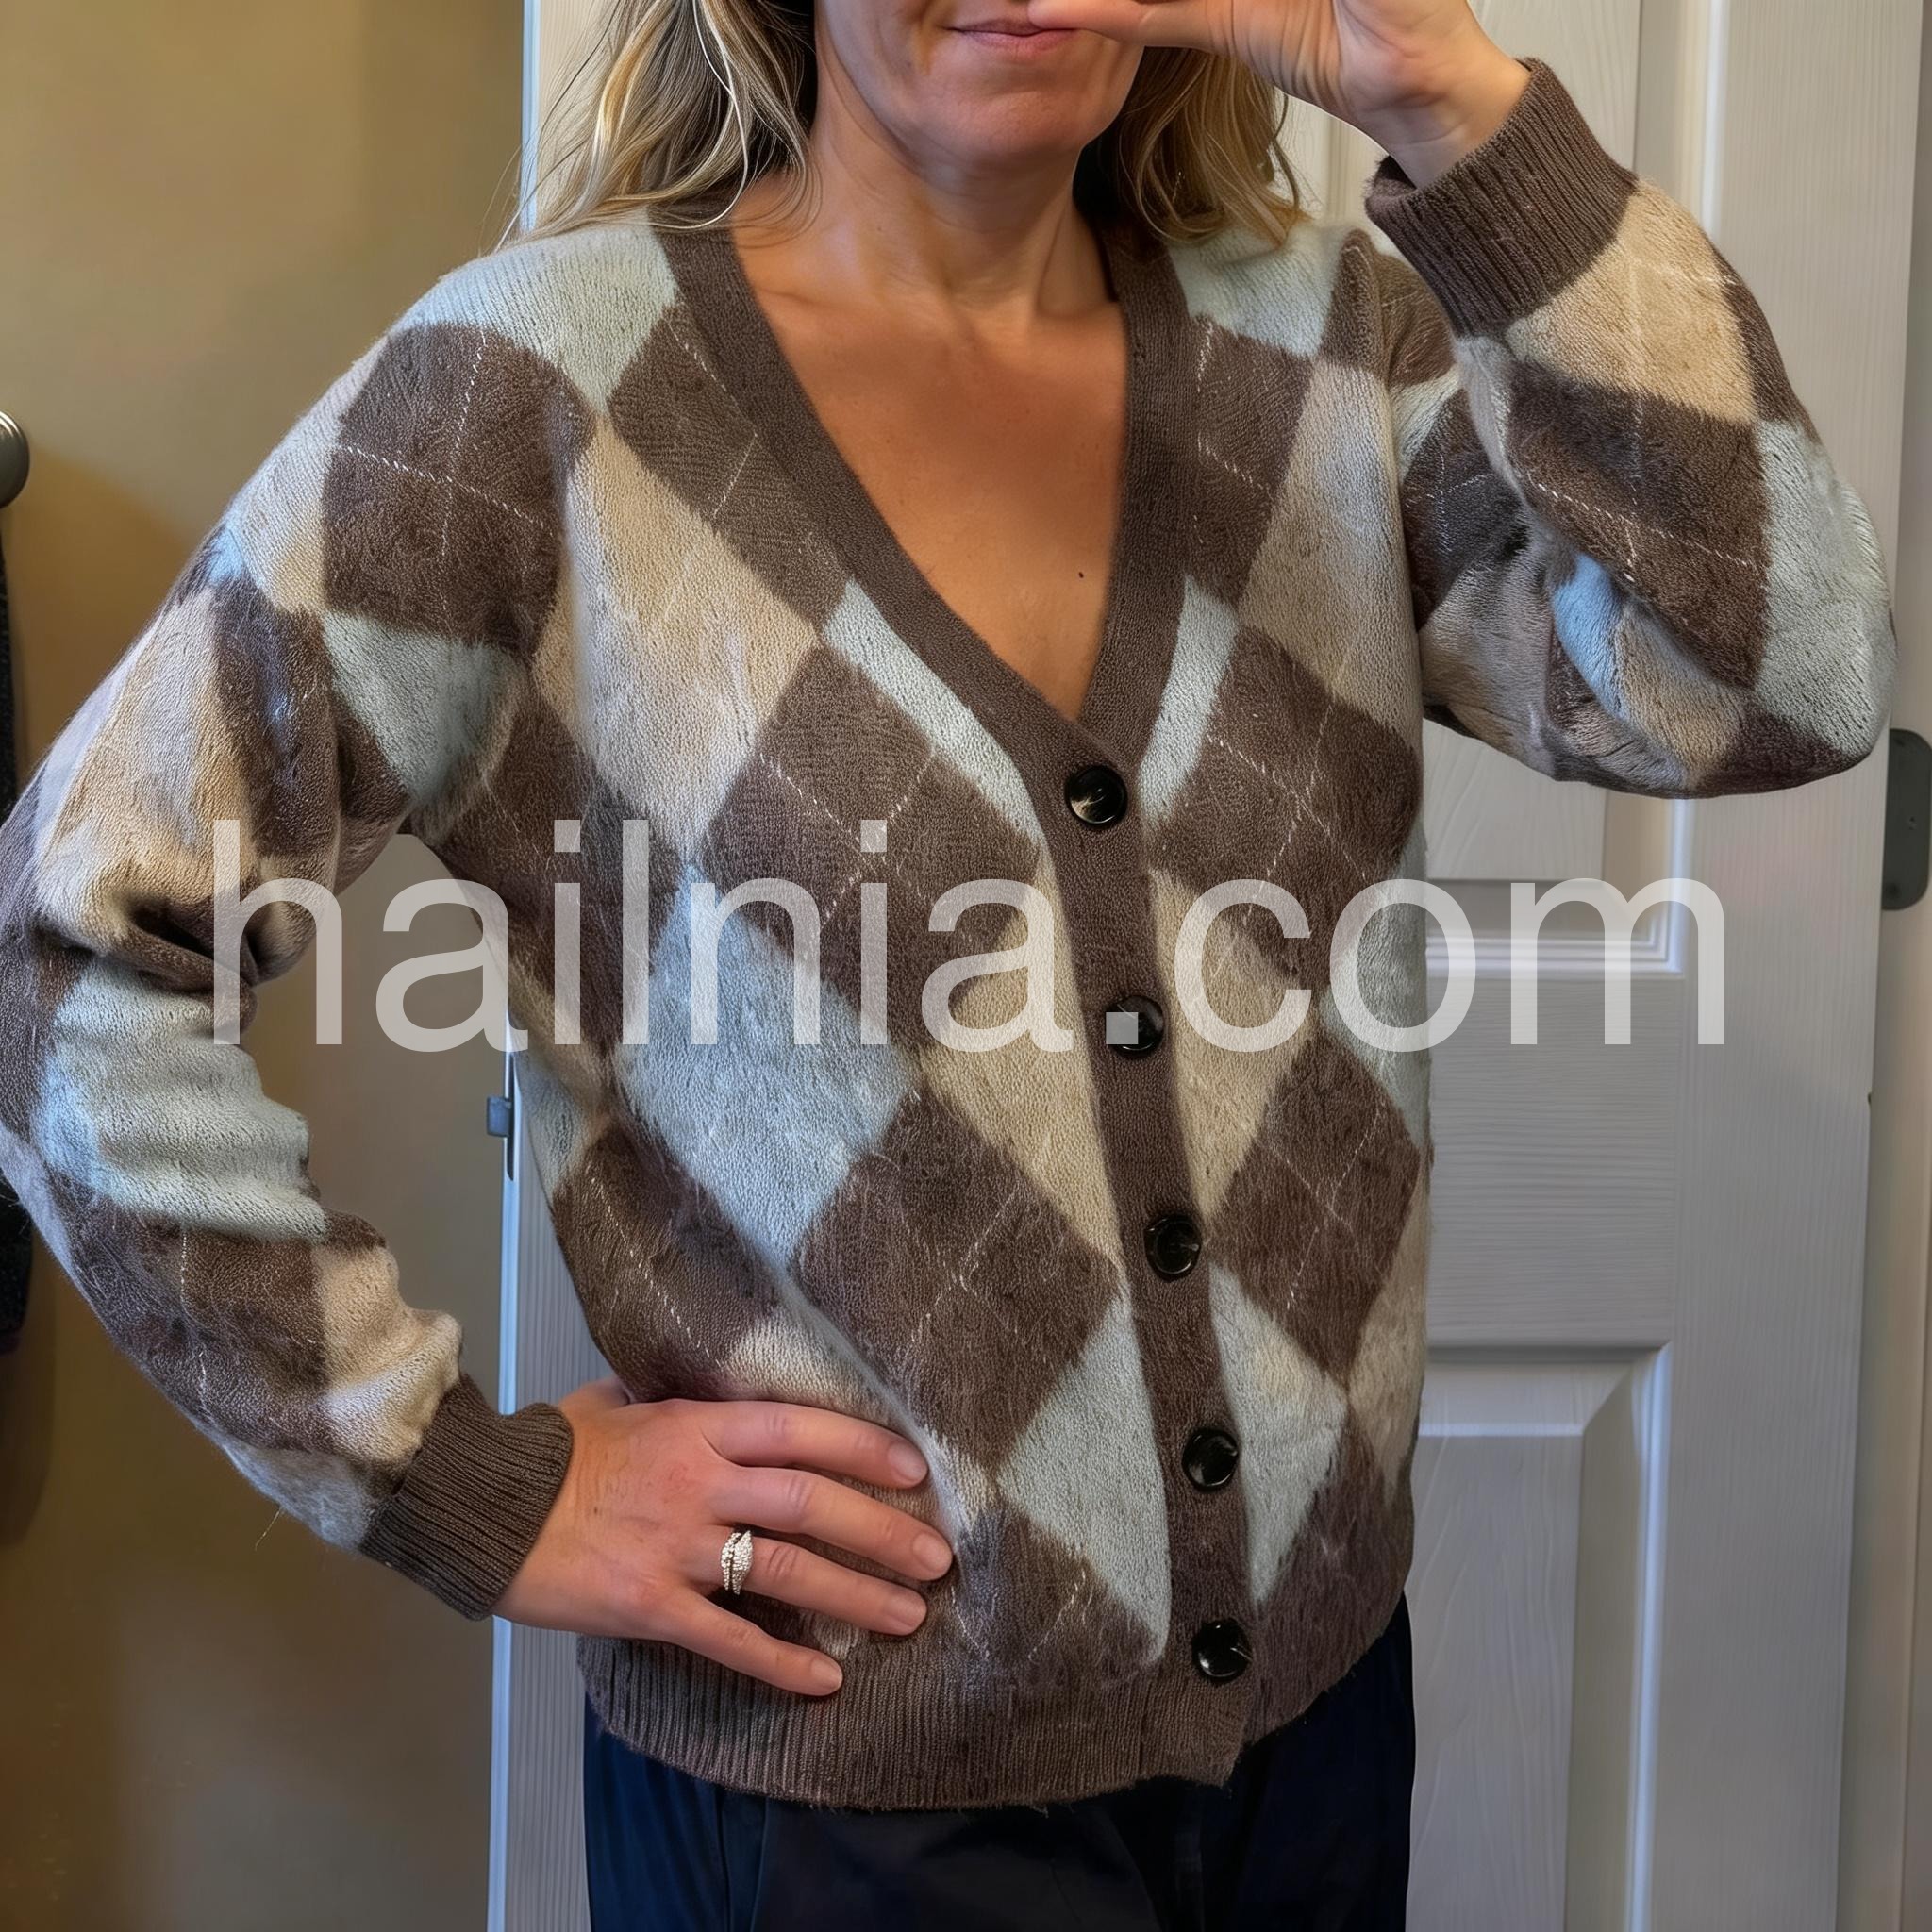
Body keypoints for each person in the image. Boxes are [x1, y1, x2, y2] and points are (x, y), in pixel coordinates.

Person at [0, 0, 1896, 1924]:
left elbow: (1776, 680)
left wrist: (1459, 108)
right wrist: (462, 1485)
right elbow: (59, 962)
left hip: (1315, 1733)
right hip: (843, 1790)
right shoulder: (533, 399)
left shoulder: (1333, 349)